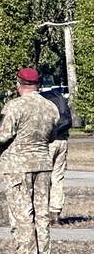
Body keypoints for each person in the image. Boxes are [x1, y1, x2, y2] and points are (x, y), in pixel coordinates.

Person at [0, 68, 59, 254]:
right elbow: (52, 136)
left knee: (22, 215)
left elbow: (4, 134)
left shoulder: (15, 106)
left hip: (18, 167)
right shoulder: (51, 107)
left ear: (19, 83)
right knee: (42, 215)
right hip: (43, 164)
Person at [40, 86, 72, 225]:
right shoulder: (60, 99)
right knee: (58, 177)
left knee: (44, 177)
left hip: (50, 141)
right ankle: (55, 212)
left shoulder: (44, 100)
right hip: (63, 141)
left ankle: (42, 211)